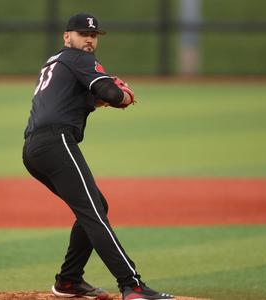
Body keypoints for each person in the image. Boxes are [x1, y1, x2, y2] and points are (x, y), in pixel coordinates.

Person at [22, 12, 175, 300]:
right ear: (67, 37)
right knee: (94, 214)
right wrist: (122, 95)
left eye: (93, 35)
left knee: (95, 207)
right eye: (83, 34)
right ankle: (132, 285)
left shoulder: (55, 62)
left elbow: (78, 96)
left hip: (33, 150)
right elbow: (113, 94)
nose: (89, 39)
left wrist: (98, 97)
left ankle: (68, 281)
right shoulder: (79, 59)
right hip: (57, 143)